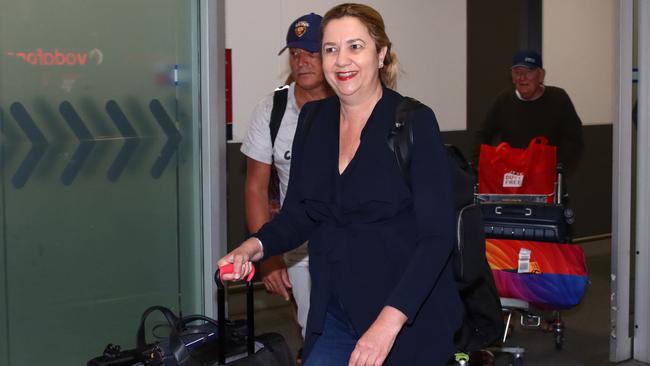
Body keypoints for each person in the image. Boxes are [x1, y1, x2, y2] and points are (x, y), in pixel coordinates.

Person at [221, 3, 462, 365]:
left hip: (404, 317)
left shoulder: (413, 122)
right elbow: (300, 213)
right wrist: (253, 247)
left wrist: (386, 324)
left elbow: (437, 238)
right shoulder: (313, 121)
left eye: (355, 46)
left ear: (380, 54)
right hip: (334, 312)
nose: (341, 60)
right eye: (330, 49)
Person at [240, 12, 332, 342]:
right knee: (313, 332)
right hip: (299, 247)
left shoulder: (352, 103)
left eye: (312, 52)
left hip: (350, 240)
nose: (302, 62)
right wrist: (271, 256)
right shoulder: (272, 108)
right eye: (295, 53)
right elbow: (255, 187)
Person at [472, 49, 584, 173]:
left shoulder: (558, 98)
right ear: (512, 77)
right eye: (517, 72)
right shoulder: (504, 100)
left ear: (541, 75)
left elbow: (573, 138)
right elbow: (483, 134)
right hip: (512, 178)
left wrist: (558, 166)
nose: (522, 78)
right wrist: (480, 164)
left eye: (529, 72)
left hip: (547, 177)